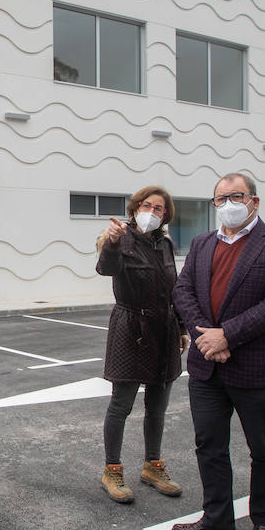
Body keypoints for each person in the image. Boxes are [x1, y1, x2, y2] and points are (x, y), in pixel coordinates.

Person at [170, 172, 265, 530]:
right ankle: (217, 520)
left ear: (254, 202)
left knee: (264, 450)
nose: (228, 204)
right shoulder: (200, 244)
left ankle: (264, 522)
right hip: (207, 366)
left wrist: (227, 335)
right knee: (209, 445)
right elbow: (183, 292)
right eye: (220, 198)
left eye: (236, 196)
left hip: (257, 366)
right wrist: (205, 339)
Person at [94, 186, 188, 504]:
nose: (152, 211)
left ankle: (152, 465)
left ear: (166, 215)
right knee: (121, 405)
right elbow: (105, 267)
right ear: (135, 208)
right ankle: (112, 470)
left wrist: (182, 328)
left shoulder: (165, 244)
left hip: (164, 329)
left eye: (159, 208)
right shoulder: (121, 238)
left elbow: (174, 288)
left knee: (157, 408)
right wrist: (113, 241)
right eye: (146, 205)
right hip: (130, 328)